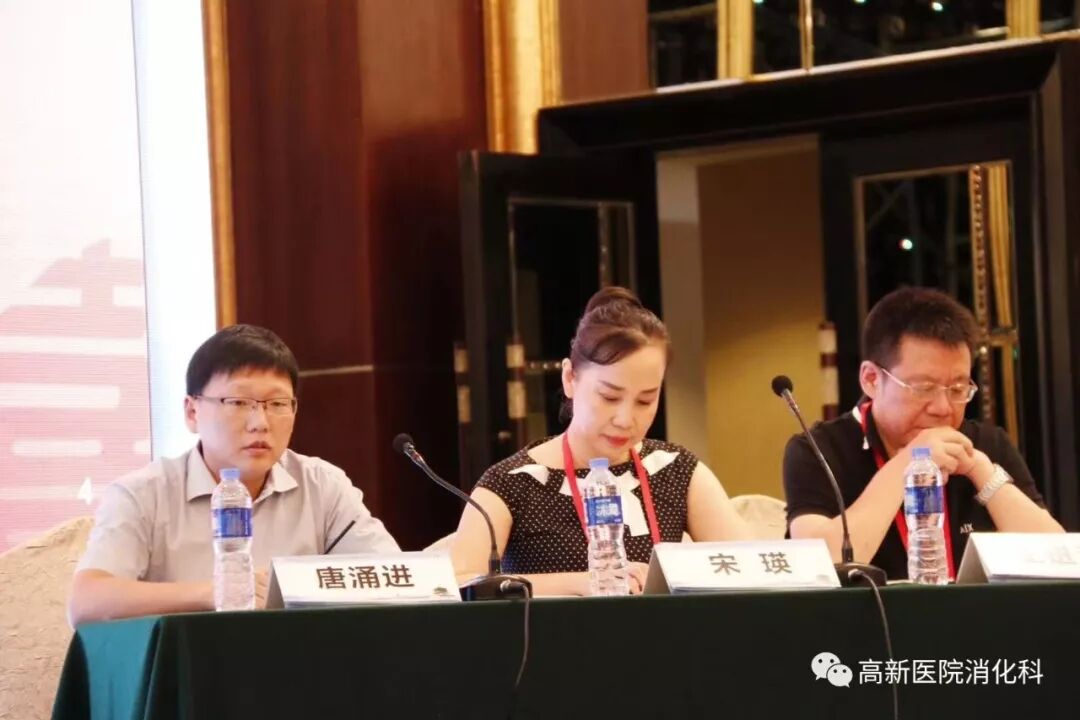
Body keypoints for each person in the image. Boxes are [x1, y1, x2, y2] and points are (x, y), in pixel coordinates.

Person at [68, 325, 398, 624]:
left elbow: (396, 580)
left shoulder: (322, 485)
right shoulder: (143, 494)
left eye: (277, 404)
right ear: (192, 412)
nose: (260, 423)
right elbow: (87, 601)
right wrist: (215, 592)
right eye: (239, 402)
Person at [450, 287, 750, 595]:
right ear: (570, 379)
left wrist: (677, 575)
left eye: (645, 400)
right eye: (609, 397)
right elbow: (458, 584)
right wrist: (582, 582)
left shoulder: (676, 469)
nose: (625, 419)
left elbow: (751, 569)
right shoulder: (512, 483)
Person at [783, 286, 1063, 580]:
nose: (943, 408)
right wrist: (909, 462)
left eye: (957, 389)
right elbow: (817, 567)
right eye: (924, 388)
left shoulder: (986, 444)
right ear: (871, 379)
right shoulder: (818, 450)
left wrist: (982, 472)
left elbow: (1057, 561)